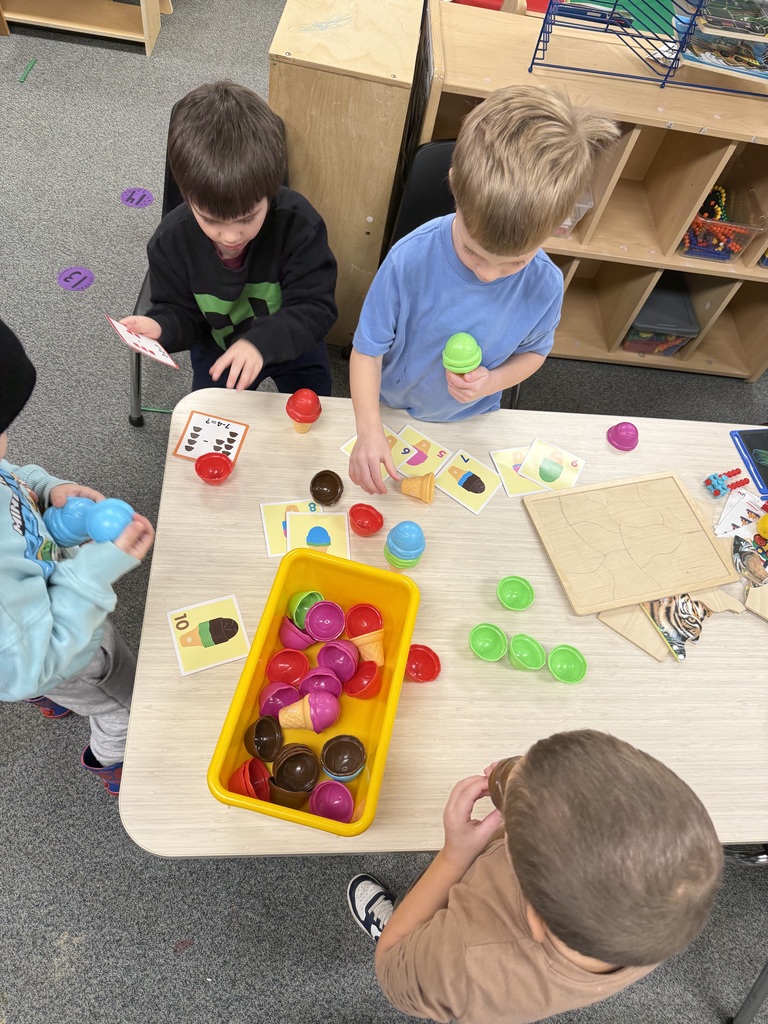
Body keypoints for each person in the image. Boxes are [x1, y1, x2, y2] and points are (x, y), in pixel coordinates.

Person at [349, 85, 620, 494]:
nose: (490, 275)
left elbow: (534, 352)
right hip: (390, 410)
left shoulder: (545, 283)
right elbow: (367, 352)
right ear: (455, 187)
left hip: (473, 422)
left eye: (515, 261)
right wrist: (369, 432)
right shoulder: (409, 260)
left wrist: (491, 383)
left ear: (560, 224)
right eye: (473, 253)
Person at [347, 729, 723, 1024]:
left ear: (537, 921)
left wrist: (454, 856)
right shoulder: (659, 916)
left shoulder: (463, 960)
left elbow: (390, 971)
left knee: (409, 938)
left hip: (444, 962)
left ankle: (405, 921)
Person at [0, 317, 155, 795]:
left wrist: (47, 491)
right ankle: (115, 762)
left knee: (36, 673)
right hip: (60, 647)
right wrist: (98, 568)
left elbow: (11, 477)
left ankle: (51, 696)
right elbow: (30, 659)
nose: (5, 443)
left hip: (26, 640)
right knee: (123, 701)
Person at [120, 81, 337, 395]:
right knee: (215, 422)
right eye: (211, 220)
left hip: (294, 344)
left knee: (314, 421)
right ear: (187, 197)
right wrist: (161, 326)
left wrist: (260, 344)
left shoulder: (299, 225)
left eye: (248, 217)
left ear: (271, 190)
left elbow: (315, 308)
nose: (232, 236)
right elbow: (181, 312)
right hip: (218, 351)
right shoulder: (171, 241)